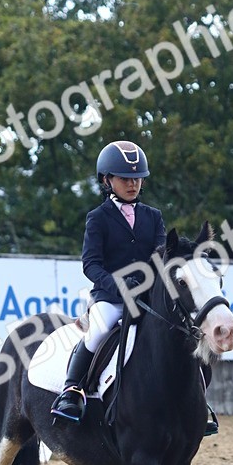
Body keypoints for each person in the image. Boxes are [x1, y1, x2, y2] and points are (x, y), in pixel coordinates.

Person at [51, 140, 166, 422]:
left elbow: (161, 256)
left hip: (148, 296)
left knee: (181, 333)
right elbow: (91, 264)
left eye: (137, 179)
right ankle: (72, 390)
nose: (133, 185)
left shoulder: (154, 217)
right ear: (107, 180)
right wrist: (117, 286)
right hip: (111, 298)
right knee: (98, 331)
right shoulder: (98, 218)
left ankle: (198, 402)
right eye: (125, 179)